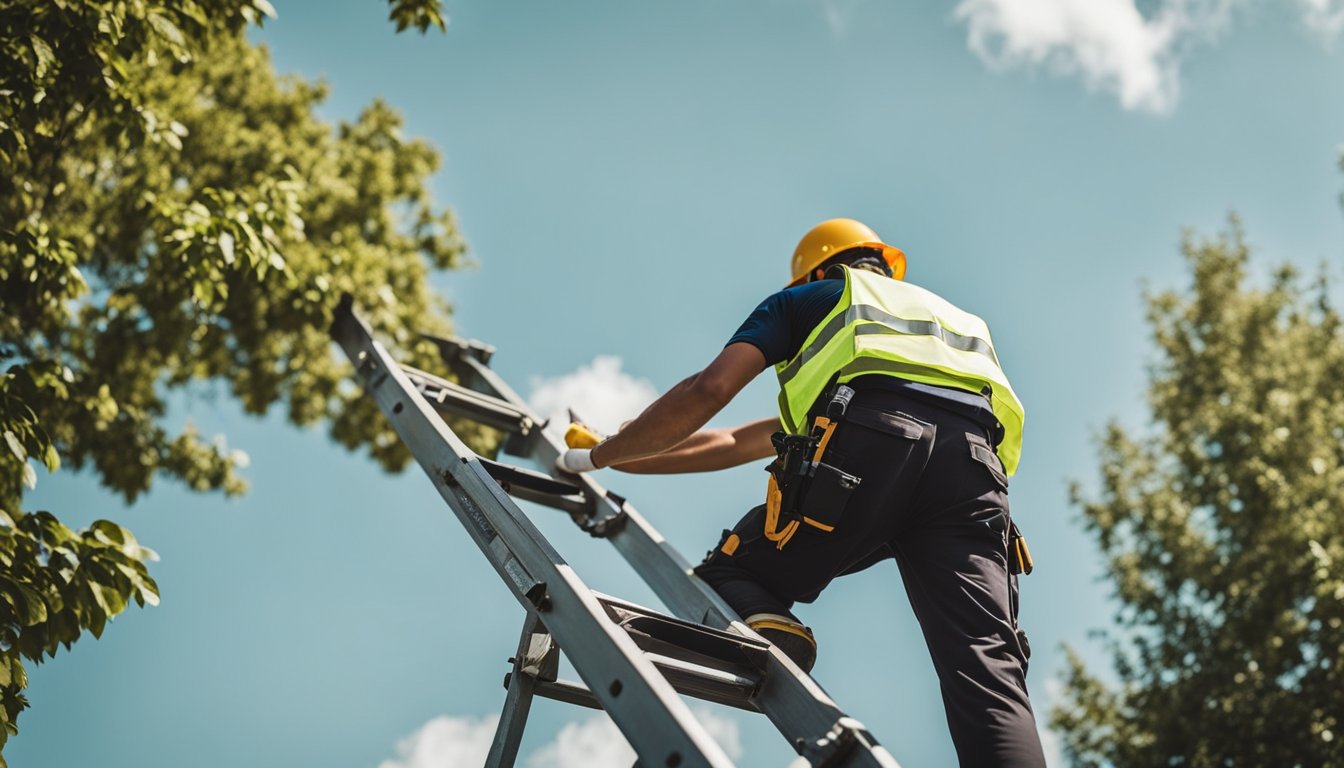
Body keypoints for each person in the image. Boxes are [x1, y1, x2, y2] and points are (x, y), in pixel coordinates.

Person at [557, 218, 1047, 767]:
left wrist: (595, 456)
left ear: (816, 270)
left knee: (728, 572)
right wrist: (620, 453)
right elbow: (735, 441)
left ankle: (769, 617)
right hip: (973, 475)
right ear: (883, 263)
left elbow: (710, 391)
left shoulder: (811, 301)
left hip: (868, 450)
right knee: (989, 671)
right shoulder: (954, 323)